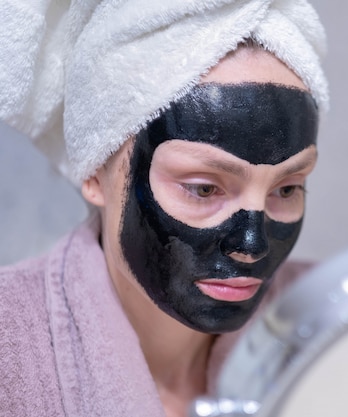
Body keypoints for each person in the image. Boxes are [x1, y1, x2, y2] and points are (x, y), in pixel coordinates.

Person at [0, 1, 328, 416]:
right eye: (204, 188)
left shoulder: (343, 324)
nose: (252, 244)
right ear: (96, 170)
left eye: (286, 189)